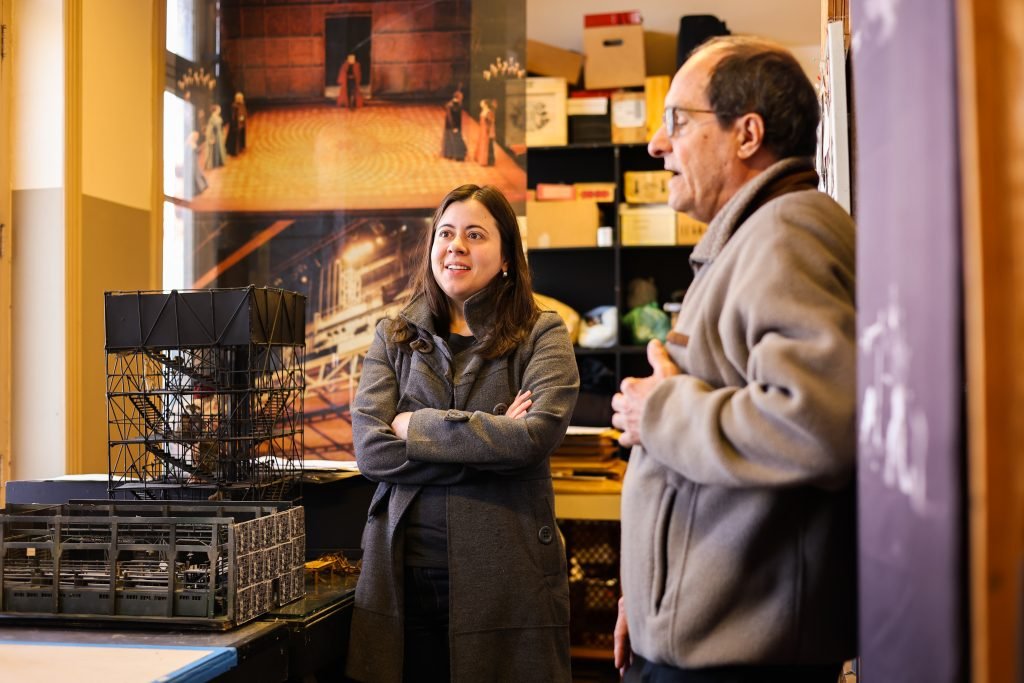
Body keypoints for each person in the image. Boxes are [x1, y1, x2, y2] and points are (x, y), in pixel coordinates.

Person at [611, 36, 857, 683]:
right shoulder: (754, 237)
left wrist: (657, 411)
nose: (656, 144)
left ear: (746, 134)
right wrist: (647, 596)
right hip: (700, 643)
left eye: (676, 121)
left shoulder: (788, 233)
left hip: (737, 662)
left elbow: (816, 424)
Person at [346, 184, 579, 683]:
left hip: (506, 573)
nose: (456, 246)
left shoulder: (542, 334)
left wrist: (416, 426)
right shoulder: (393, 336)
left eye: (475, 235)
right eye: (446, 233)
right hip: (402, 576)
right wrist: (493, 445)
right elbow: (371, 450)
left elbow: (533, 438)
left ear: (507, 256)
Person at [441, 90, 467, 161]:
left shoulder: (457, 105)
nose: (462, 98)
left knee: (453, 140)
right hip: (452, 126)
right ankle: (454, 155)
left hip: (455, 126)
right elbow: (450, 117)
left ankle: (452, 154)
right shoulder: (451, 105)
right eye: (461, 97)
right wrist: (454, 127)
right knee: (453, 140)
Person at [474, 98, 497, 166]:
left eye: (482, 103)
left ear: (486, 104)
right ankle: (482, 159)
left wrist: (488, 130)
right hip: (482, 129)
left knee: (488, 145)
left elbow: (490, 122)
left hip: (487, 130)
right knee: (483, 144)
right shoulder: (483, 111)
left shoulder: (489, 112)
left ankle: (489, 161)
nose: (481, 104)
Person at [204, 104, 226, 170]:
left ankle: (219, 162)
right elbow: (209, 129)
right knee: (214, 149)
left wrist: (222, 133)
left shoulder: (218, 117)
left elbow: (220, 126)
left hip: (219, 135)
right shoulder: (212, 119)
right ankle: (214, 163)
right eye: (219, 109)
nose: (220, 110)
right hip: (215, 135)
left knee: (219, 148)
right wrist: (211, 138)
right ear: (215, 110)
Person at [226, 91, 247, 155]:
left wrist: (243, 118)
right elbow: (233, 116)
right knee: (235, 138)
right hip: (236, 124)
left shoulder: (242, 104)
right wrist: (238, 119)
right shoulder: (234, 106)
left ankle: (240, 147)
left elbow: (244, 112)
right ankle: (234, 150)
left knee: (240, 136)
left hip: (241, 123)